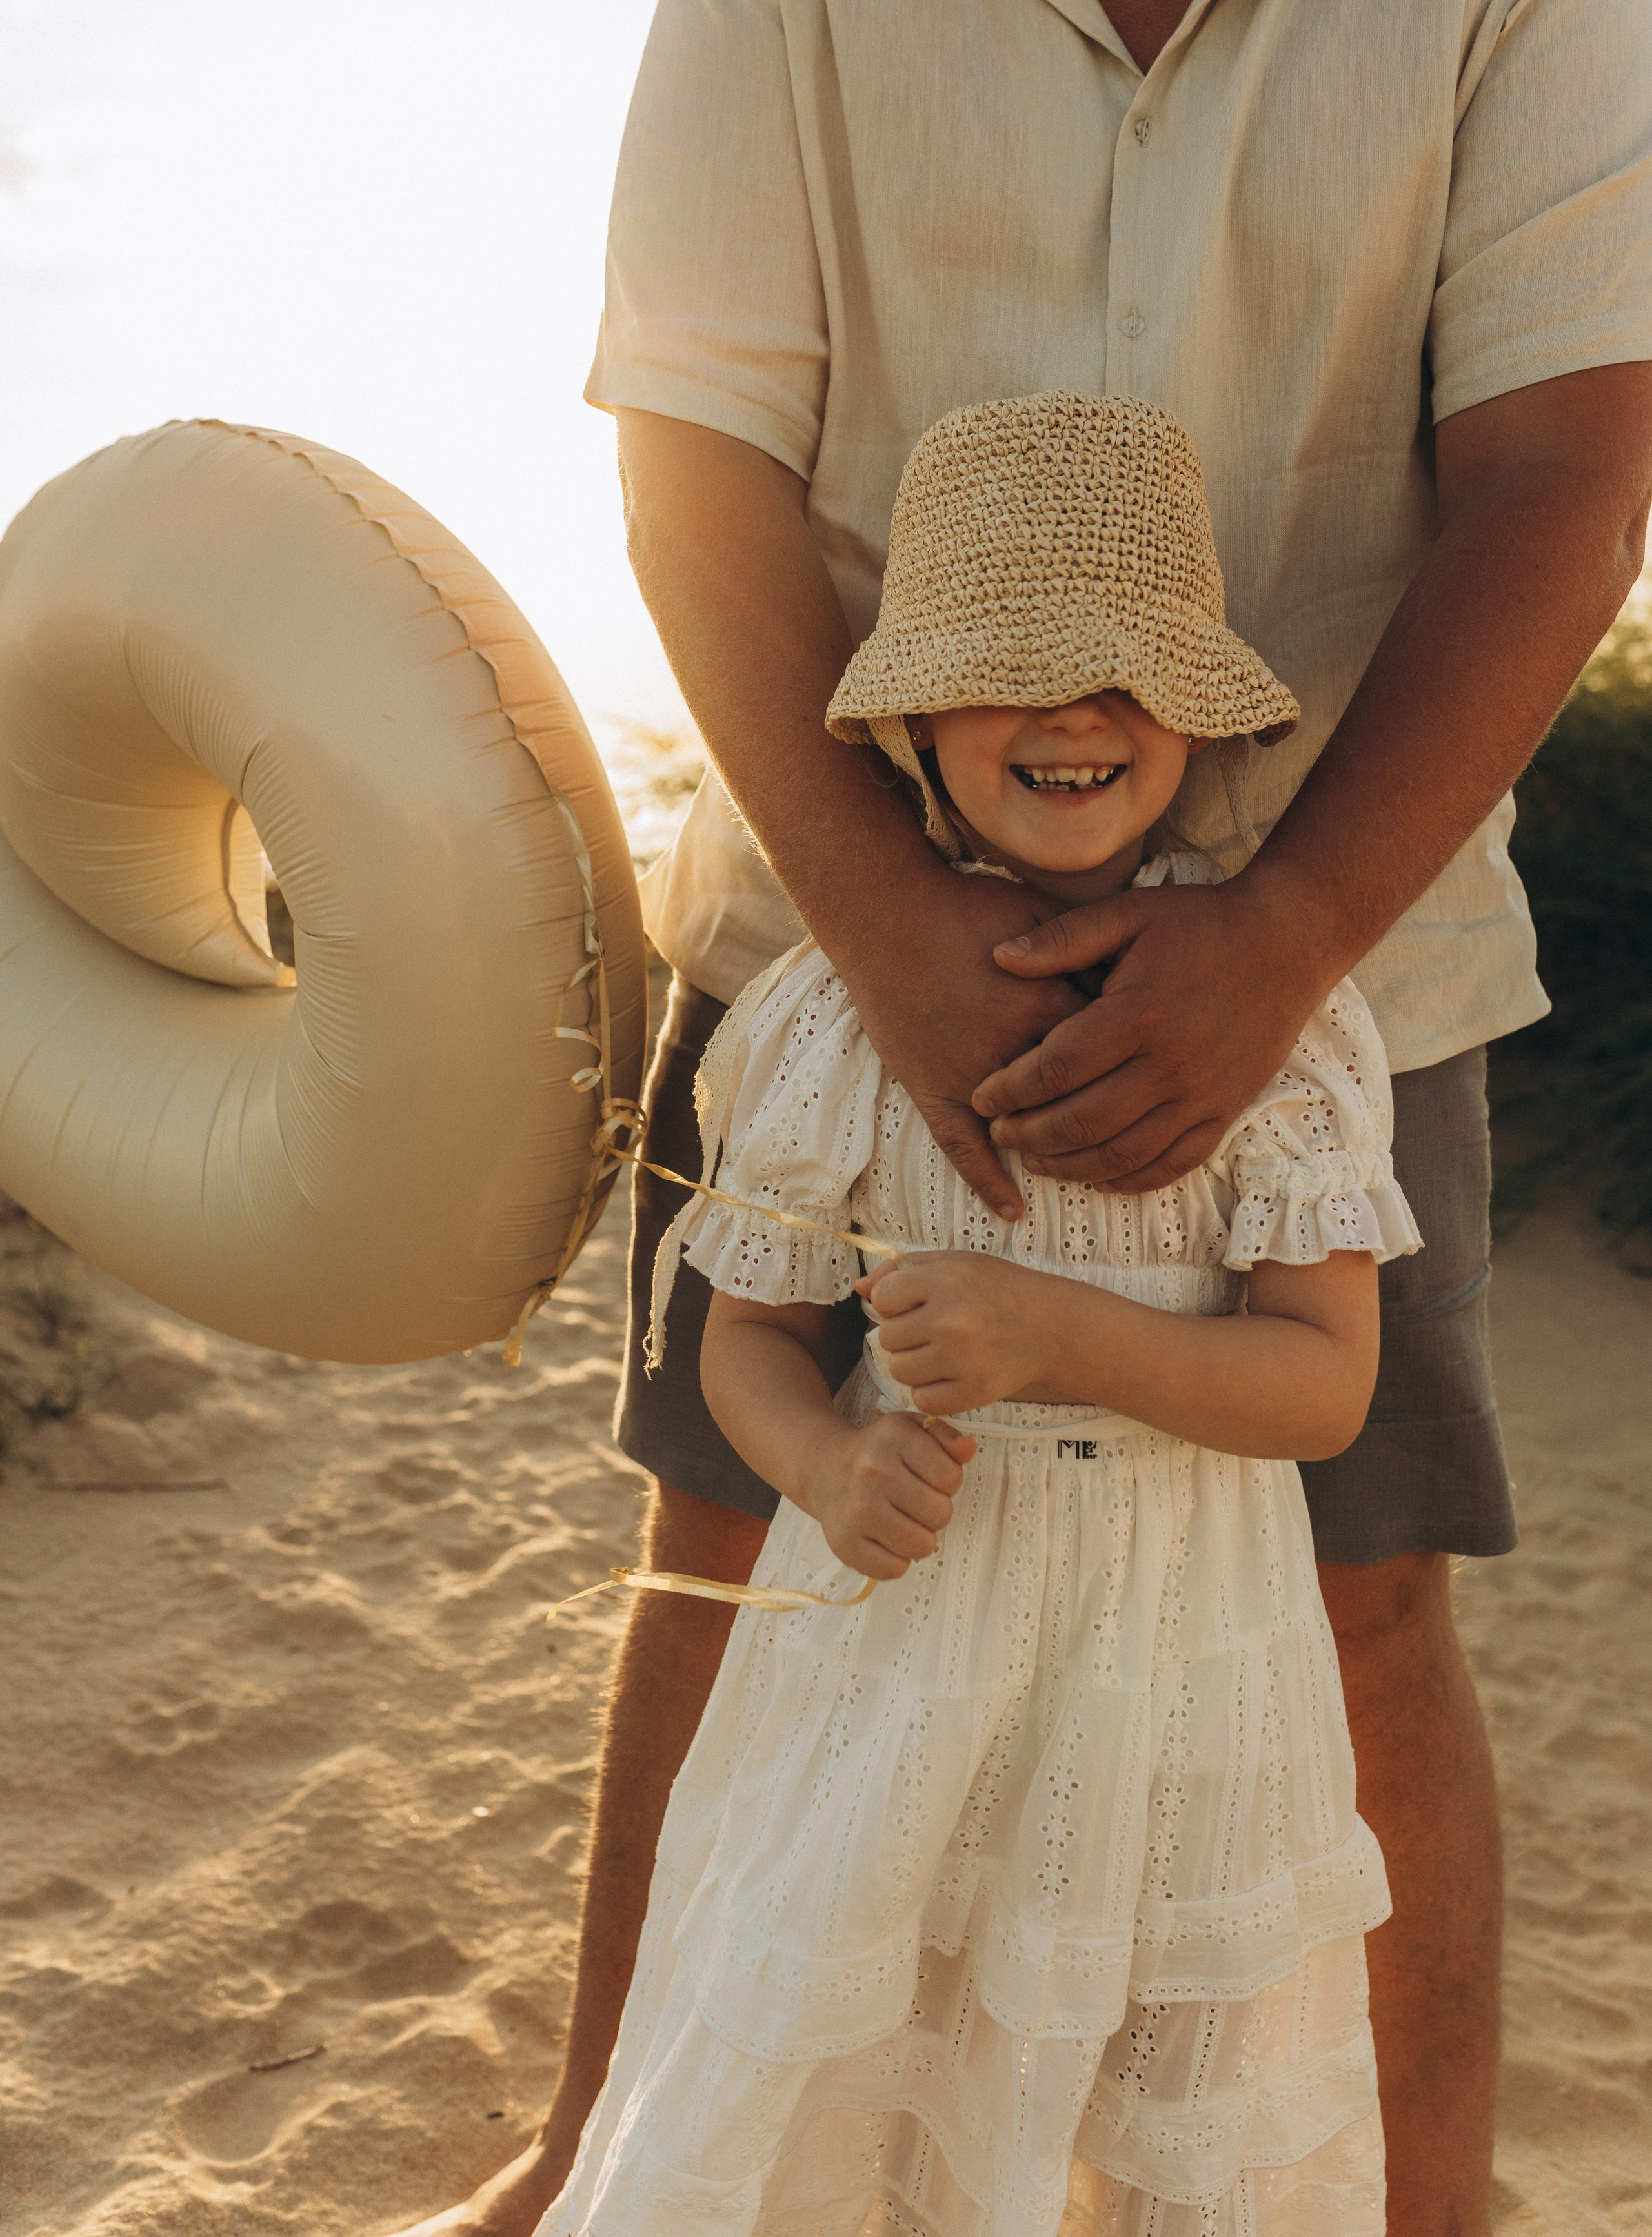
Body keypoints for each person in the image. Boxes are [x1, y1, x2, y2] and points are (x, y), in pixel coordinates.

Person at [394, 0, 1652, 2232]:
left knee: (1361, 1580)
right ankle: (600, 2162)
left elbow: (1567, 458)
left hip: (1354, 946)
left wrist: (1278, 937)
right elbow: (698, 451)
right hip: (829, 923)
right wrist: (886, 922)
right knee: (733, 1529)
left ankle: (1416, 2213)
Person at [536, 390, 1416, 2236]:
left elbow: (1326, 1383)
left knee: (1154, 2086)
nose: (1077, 710)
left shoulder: (1282, 1025)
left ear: (1194, 708)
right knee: (861, 2064)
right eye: (1009, 667)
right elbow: (751, 1340)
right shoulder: (826, 1025)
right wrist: (828, 1459)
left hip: (1181, 1672)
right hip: (897, 1665)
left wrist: (1066, 1336)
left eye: (1127, 668)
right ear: (915, 720)